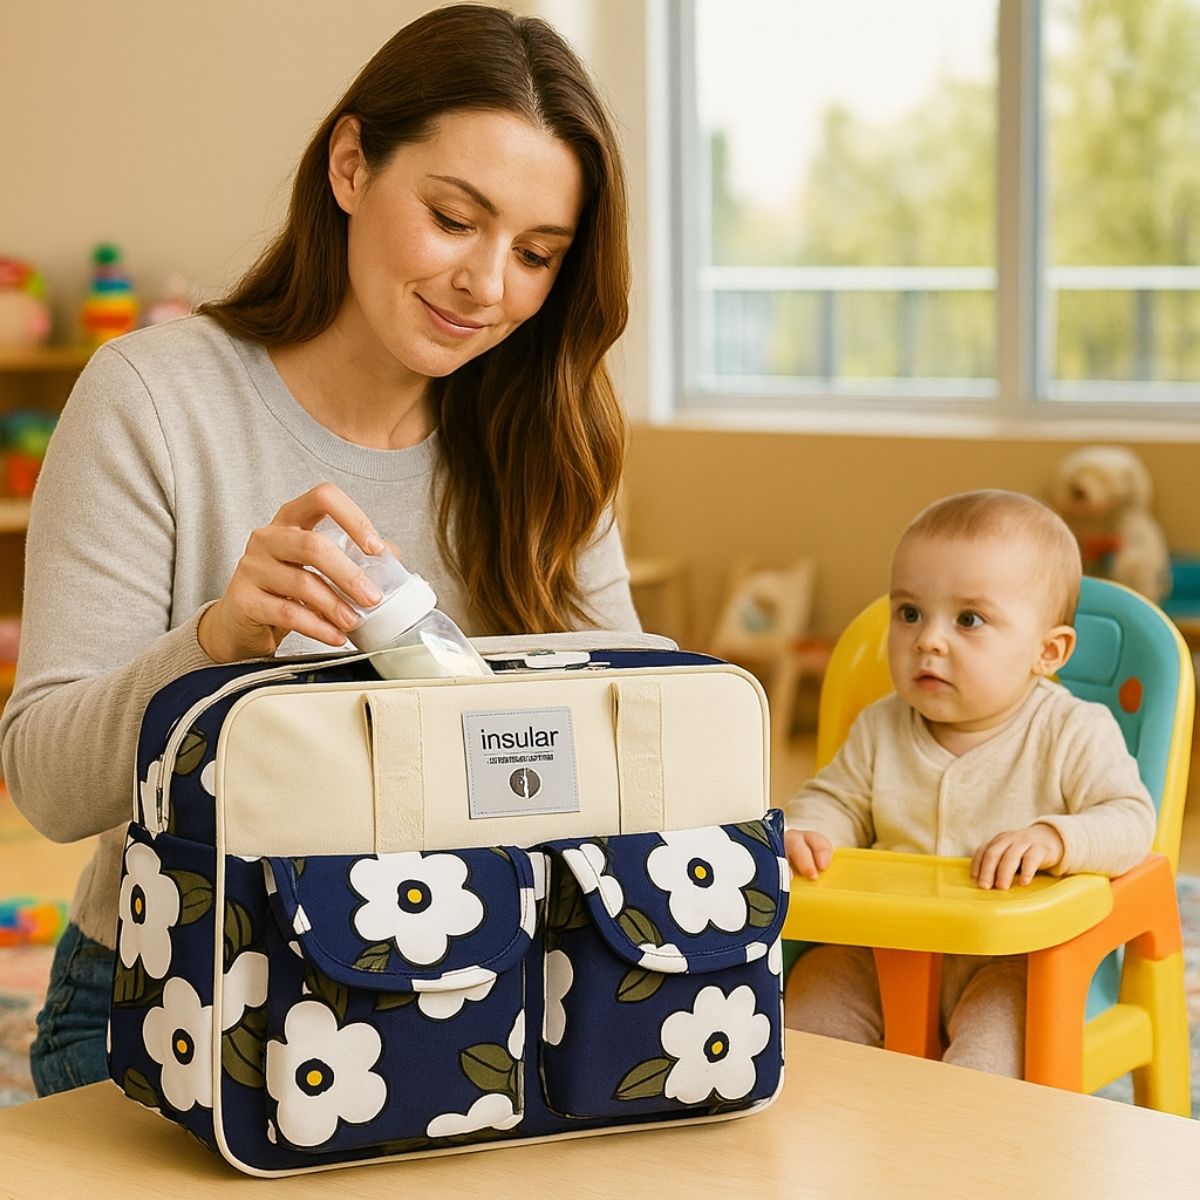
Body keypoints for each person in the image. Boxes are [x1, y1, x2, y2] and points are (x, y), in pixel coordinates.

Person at [0, 4, 641, 1096]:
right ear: (350, 166)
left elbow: (623, 761)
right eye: (453, 218)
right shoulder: (155, 401)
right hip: (176, 1004)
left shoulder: (549, 439)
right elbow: (49, 787)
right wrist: (214, 644)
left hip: (485, 994)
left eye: (536, 254)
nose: (489, 285)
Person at [783, 489, 1156, 1077]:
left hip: (1015, 963)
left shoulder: (1072, 731)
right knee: (807, 1015)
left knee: (993, 1061)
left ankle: (962, 1155)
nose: (928, 639)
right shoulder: (881, 726)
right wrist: (808, 830)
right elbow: (838, 800)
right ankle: (831, 1139)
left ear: (1048, 652)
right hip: (881, 950)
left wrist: (1056, 839)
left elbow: (1131, 820)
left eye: (969, 619)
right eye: (909, 613)